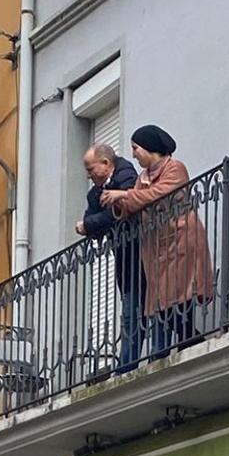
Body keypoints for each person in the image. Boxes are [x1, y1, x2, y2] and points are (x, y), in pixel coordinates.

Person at [102, 127, 214, 359]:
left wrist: (122, 196)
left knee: (180, 297)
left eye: (136, 148)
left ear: (149, 147)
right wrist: (117, 204)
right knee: (162, 303)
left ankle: (189, 342)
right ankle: (188, 343)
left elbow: (157, 195)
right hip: (159, 248)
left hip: (182, 239)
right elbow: (133, 205)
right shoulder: (143, 178)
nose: (133, 154)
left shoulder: (175, 168)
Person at [77, 142, 144, 373]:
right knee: (131, 311)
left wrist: (88, 224)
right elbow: (97, 220)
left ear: (106, 163)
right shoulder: (95, 193)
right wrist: (91, 225)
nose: (89, 175)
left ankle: (127, 364)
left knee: (137, 311)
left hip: (141, 252)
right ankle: (127, 362)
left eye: (90, 169)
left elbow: (116, 214)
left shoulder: (126, 175)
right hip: (124, 256)